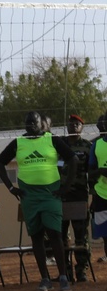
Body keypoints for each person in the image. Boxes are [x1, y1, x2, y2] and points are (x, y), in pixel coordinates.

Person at [0, 111, 77, 291]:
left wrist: (65, 187)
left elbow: (73, 159)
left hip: (50, 194)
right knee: (37, 236)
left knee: (55, 234)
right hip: (29, 196)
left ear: (41, 124)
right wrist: (10, 187)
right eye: (27, 122)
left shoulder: (52, 140)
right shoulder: (18, 143)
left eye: (34, 122)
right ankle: (45, 279)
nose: (30, 125)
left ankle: (63, 277)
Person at [61, 114, 93, 281]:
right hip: (60, 197)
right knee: (61, 236)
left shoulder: (87, 147)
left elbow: (92, 170)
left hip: (79, 196)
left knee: (81, 237)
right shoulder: (60, 145)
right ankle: (65, 272)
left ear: (82, 128)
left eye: (77, 124)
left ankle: (81, 270)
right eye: (71, 123)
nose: (73, 126)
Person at [89, 113, 107, 248]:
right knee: (105, 237)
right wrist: (101, 171)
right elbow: (91, 172)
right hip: (101, 196)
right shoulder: (96, 145)